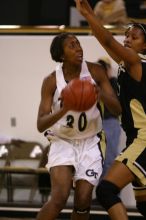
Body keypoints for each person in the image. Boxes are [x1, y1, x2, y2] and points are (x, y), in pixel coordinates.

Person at [36, 32, 121, 220]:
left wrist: (100, 94)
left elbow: (117, 110)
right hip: (62, 140)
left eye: (78, 43)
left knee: (83, 200)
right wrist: (65, 108)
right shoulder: (51, 81)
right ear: (61, 55)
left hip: (91, 141)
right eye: (72, 46)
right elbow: (41, 124)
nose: (78, 48)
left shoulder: (96, 72)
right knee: (59, 198)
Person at [75, 0, 146, 219]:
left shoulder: (136, 62)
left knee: (106, 191)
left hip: (143, 140)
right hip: (136, 139)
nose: (126, 39)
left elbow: (107, 39)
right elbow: (106, 42)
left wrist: (88, 13)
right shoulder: (130, 64)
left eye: (134, 37)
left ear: (145, 46)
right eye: (126, 35)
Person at [97, 57, 121, 177]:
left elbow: (118, 107)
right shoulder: (96, 84)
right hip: (98, 124)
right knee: (99, 160)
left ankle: (108, 193)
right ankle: (102, 193)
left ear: (108, 69)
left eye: (103, 67)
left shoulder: (114, 83)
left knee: (109, 160)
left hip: (110, 122)